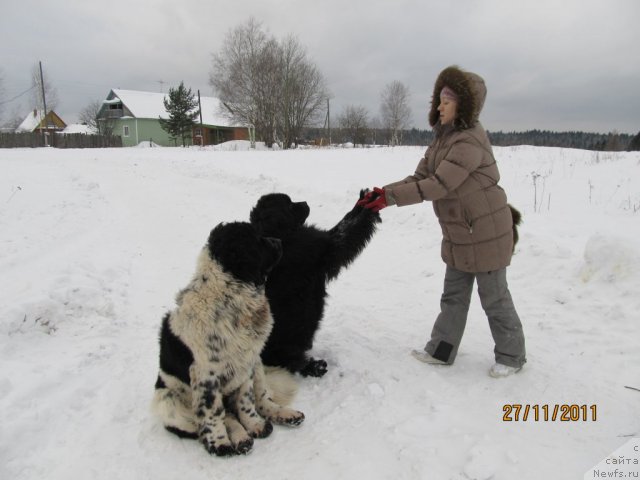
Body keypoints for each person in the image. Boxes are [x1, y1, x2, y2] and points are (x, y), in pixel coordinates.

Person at [359, 65, 526, 378]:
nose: (439, 105)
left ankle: (512, 356)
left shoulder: (468, 143)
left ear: (464, 104)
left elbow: (439, 184)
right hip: (460, 232)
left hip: (487, 231)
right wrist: (385, 192)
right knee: (453, 296)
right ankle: (442, 350)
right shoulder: (442, 140)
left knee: (495, 298)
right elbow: (421, 177)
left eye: (446, 100)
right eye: (439, 99)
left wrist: (392, 198)